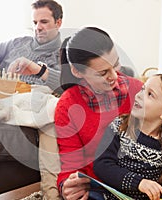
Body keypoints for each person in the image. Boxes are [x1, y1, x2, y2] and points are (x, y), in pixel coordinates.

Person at [54, 26, 143, 200]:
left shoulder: (138, 91)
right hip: (99, 189)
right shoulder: (67, 105)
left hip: (143, 183)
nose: (115, 76)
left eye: (116, 64)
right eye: (103, 73)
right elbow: (70, 164)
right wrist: (67, 186)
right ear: (77, 71)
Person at [93, 74, 162, 200]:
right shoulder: (119, 127)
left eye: (150, 94)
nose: (139, 95)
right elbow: (102, 165)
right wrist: (139, 182)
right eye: (143, 89)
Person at [0, 0, 63, 91]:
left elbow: (68, 86)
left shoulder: (64, 55)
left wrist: (37, 69)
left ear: (58, 23)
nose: (38, 28)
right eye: (35, 23)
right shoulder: (17, 42)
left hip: (25, 100)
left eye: (44, 22)